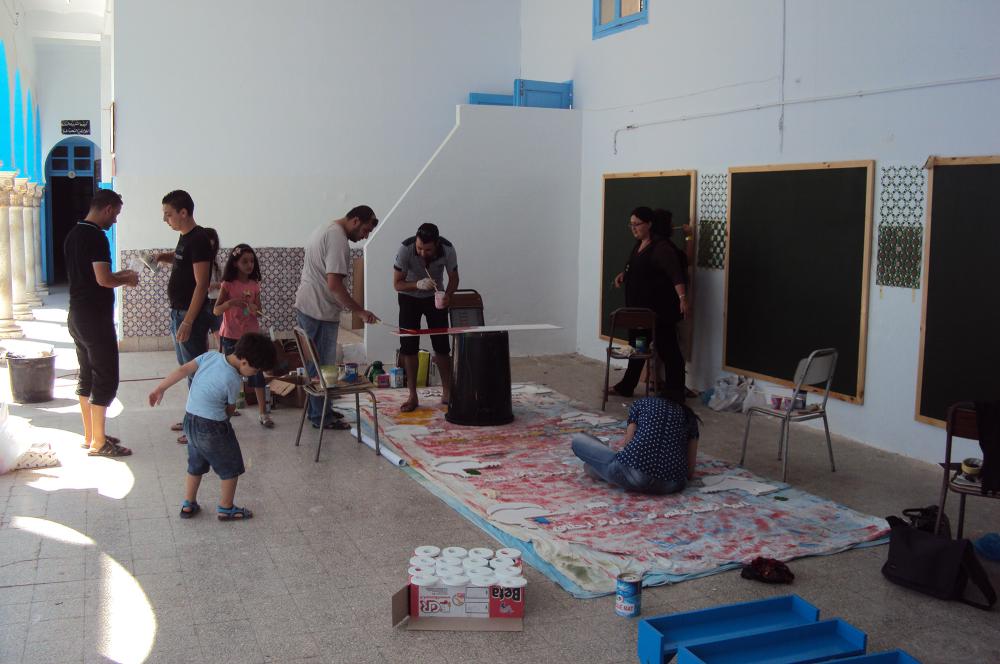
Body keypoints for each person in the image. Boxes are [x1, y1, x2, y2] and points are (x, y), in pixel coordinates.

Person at [148, 332, 276, 520]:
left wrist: (160, 388)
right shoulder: (233, 379)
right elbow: (230, 408)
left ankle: (188, 504)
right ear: (244, 362)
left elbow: (183, 369)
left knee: (195, 464)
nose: (255, 374)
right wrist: (224, 425)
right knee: (231, 466)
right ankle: (226, 507)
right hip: (212, 427)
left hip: (190, 421)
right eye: (256, 370)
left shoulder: (210, 356)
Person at [64, 189, 138, 457]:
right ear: (107, 208)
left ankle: (90, 435)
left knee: (87, 375)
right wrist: (126, 279)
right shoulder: (96, 236)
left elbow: (92, 276)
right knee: (105, 377)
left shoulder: (73, 234)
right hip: (95, 319)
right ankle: (98, 442)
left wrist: (120, 274)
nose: (115, 220)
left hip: (77, 315)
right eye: (116, 214)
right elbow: (103, 280)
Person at [294, 206, 379, 429]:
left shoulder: (325, 228)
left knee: (318, 365)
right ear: (355, 220)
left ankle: (322, 411)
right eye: (365, 230)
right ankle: (321, 417)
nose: (364, 236)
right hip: (318, 310)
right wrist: (360, 311)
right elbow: (334, 285)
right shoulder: (338, 239)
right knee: (322, 367)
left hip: (309, 305)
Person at [155, 190, 217, 443]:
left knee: (195, 371)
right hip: (179, 312)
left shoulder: (199, 239)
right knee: (189, 370)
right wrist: (163, 257)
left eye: (168, 214)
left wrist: (189, 321)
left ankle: (200, 425)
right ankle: (194, 418)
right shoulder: (186, 237)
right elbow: (184, 260)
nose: (165, 219)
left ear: (184, 212)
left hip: (189, 315)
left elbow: (201, 285)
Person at [610, 206, 688, 403]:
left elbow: (675, 274)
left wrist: (682, 298)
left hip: (659, 313)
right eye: (631, 224)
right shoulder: (639, 245)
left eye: (637, 224)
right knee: (639, 349)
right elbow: (635, 267)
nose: (633, 228)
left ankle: (675, 392)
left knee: (668, 350)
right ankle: (627, 386)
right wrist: (623, 275)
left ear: (649, 224)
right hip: (639, 316)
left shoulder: (662, 247)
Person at [571, 397, 699, 495]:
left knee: (579, 442)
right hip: (672, 485)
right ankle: (609, 471)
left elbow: (628, 444)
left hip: (635, 473)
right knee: (594, 467)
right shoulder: (690, 417)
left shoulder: (643, 403)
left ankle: (608, 472)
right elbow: (689, 471)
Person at [393, 222, 459, 413]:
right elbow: (397, 284)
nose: (422, 253)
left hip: (435, 298)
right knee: (409, 347)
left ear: (436, 244)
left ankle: (447, 392)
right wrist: (417, 284)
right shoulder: (405, 249)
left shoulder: (447, 249)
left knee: (442, 346)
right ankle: (412, 395)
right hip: (408, 299)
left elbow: (454, 278)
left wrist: (448, 295)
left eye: (427, 250)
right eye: (420, 248)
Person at [214, 244, 273, 427]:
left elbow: (259, 310)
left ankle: (263, 413)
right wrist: (230, 303)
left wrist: (256, 309)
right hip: (231, 335)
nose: (249, 265)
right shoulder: (228, 285)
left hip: (251, 337)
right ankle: (225, 411)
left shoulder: (255, 285)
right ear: (235, 263)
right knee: (229, 373)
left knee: (257, 374)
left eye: (252, 261)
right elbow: (216, 310)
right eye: (244, 261)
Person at [203, 227, 224, 351]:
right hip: (202, 302)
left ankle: (222, 362)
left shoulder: (216, 261)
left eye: (213, 245)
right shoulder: (198, 261)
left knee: (219, 336)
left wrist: (215, 285)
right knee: (201, 338)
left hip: (216, 301)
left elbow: (223, 283)